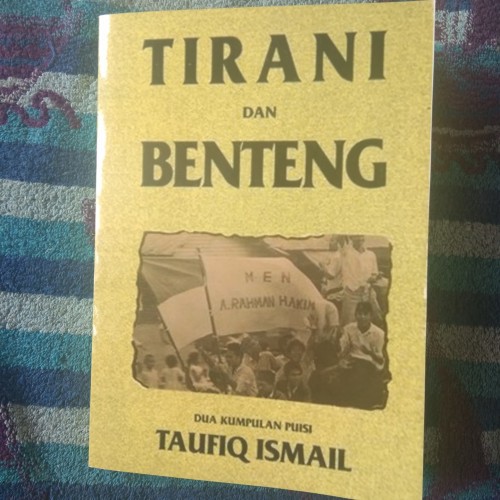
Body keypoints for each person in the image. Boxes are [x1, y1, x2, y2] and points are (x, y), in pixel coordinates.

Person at [332, 301, 388, 408]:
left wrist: (369, 352)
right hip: (351, 362)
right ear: (355, 315)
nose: (362, 317)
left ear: (371, 316)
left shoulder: (379, 334)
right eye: (359, 313)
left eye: (365, 314)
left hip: (369, 365)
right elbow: (343, 350)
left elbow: (380, 360)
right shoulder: (349, 329)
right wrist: (338, 341)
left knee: (358, 379)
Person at [341, 235, 382, 326]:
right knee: (349, 320)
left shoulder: (371, 255)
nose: (359, 239)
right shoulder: (346, 253)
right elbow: (340, 240)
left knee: (376, 316)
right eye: (356, 236)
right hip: (351, 292)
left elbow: (374, 272)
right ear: (351, 238)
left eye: (361, 237)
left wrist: (373, 278)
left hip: (368, 291)